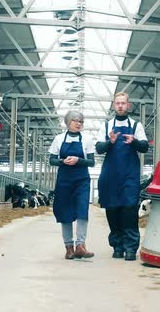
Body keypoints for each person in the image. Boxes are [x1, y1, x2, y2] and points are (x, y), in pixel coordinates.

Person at [96, 92, 149, 261]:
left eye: (123, 103)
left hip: (129, 174)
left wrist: (134, 141)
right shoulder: (106, 126)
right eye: (117, 103)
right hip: (110, 174)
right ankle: (117, 246)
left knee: (128, 209)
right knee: (112, 209)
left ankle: (130, 248)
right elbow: (99, 148)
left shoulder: (135, 125)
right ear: (113, 105)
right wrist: (110, 142)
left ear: (128, 105)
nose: (120, 106)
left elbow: (145, 147)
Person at [48, 110, 96, 260]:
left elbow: (92, 162)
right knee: (65, 212)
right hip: (64, 180)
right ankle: (69, 247)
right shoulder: (59, 139)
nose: (78, 123)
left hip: (82, 179)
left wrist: (78, 160)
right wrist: (62, 161)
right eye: (75, 120)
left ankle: (80, 245)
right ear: (68, 122)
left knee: (82, 209)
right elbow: (52, 160)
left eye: (81, 121)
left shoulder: (87, 139)